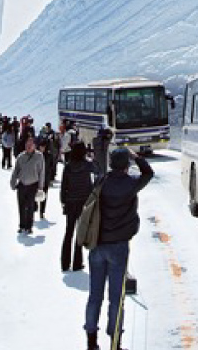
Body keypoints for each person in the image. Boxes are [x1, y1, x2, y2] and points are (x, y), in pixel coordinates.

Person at [84, 148, 153, 350]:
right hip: (119, 247)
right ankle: (115, 341)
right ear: (126, 165)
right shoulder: (131, 184)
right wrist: (137, 157)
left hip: (98, 244)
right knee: (116, 297)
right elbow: (148, 173)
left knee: (95, 296)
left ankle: (91, 340)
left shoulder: (101, 182)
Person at [59, 141, 93, 272]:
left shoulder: (68, 166)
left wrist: (63, 201)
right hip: (84, 202)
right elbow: (99, 169)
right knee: (80, 232)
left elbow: (64, 186)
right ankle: (77, 262)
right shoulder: (87, 165)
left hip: (70, 202)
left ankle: (65, 262)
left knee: (69, 232)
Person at [10, 135, 46, 235]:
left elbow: (41, 172)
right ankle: (22, 225)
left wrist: (41, 187)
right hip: (22, 184)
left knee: (30, 206)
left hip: (33, 184)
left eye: (31, 144)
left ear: (34, 146)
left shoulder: (39, 156)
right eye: (27, 144)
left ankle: (29, 226)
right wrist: (13, 182)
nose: (29, 146)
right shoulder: (21, 157)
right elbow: (16, 170)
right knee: (21, 206)